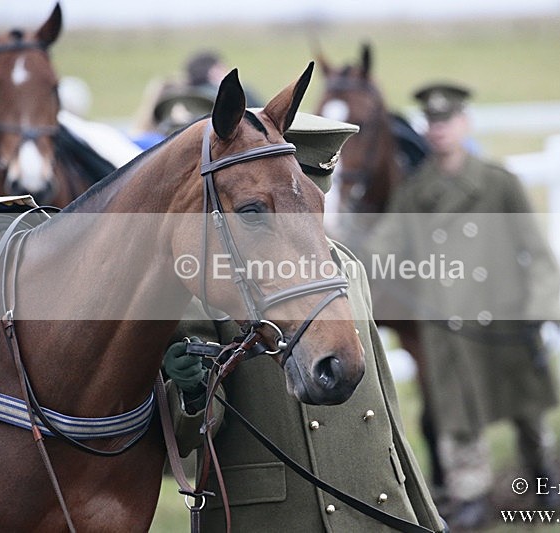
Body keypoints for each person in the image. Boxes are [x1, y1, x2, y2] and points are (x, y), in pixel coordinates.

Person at [163, 112, 446, 532]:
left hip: (373, 504)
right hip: (277, 517)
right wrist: (190, 389)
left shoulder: (347, 266)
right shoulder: (212, 278)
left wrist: (424, 513)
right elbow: (189, 438)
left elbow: (384, 408)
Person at [367, 82, 560, 529]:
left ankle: (542, 474)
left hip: (505, 319)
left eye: (447, 120)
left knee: (527, 410)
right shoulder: (416, 192)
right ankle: (470, 492)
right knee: (457, 416)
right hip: (448, 327)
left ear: (465, 123)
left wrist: (541, 306)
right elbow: (385, 244)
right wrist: (346, 252)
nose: (439, 130)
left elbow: (538, 253)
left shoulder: (498, 183)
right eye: (432, 122)